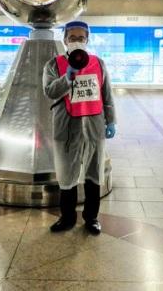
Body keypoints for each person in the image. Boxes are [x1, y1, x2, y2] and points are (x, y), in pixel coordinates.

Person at [43, 20, 116, 235]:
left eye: (81, 38)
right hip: (66, 127)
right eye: (72, 38)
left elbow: (107, 95)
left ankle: (91, 218)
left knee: (94, 174)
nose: (76, 42)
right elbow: (49, 92)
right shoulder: (53, 64)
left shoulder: (98, 63)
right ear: (65, 40)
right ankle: (67, 218)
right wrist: (68, 77)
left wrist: (111, 120)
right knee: (67, 175)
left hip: (94, 127)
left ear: (87, 40)